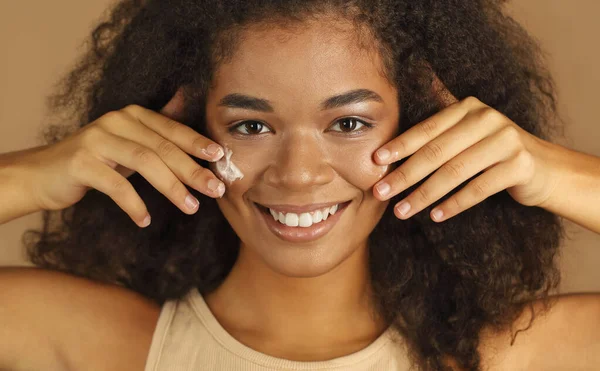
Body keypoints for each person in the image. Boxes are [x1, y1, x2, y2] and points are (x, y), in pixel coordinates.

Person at [1, 0, 599, 370]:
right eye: (252, 125)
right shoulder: (105, 346)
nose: (298, 174)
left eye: (349, 123)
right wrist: (30, 176)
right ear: (182, 130)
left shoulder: (502, 356)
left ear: (424, 126)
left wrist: (548, 172)